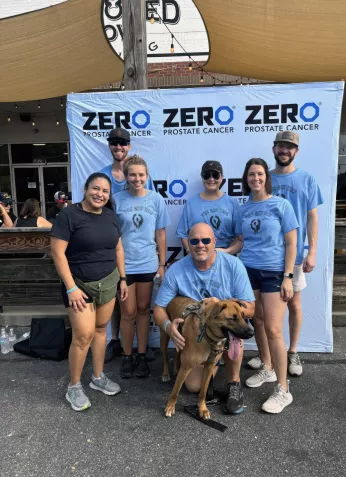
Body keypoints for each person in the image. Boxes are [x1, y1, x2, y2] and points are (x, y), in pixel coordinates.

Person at [153, 222, 255, 415]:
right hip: (200, 332)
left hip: (225, 327)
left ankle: (234, 382)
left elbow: (250, 308)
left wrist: (225, 304)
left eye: (206, 240)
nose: (200, 245)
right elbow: (158, 309)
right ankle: (209, 365)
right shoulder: (176, 270)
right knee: (192, 386)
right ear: (188, 244)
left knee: (235, 335)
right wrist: (168, 327)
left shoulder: (233, 265)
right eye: (195, 241)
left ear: (214, 242)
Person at [248, 131, 323, 378]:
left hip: (295, 254)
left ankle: (292, 352)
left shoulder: (306, 178)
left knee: (294, 303)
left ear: (296, 151)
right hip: (266, 256)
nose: (284, 150)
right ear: (274, 149)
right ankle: (267, 355)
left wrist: (312, 251)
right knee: (262, 314)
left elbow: (312, 217)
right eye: (281, 146)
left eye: (289, 147)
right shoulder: (264, 177)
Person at [50, 172, 128, 412]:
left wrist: (123, 279)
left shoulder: (111, 216)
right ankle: (73, 386)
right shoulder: (69, 215)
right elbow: (57, 253)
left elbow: (118, 249)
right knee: (83, 336)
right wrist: (71, 288)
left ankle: (97, 377)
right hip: (79, 285)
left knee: (101, 330)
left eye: (105, 191)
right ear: (86, 189)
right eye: (96, 189)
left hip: (108, 282)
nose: (100, 194)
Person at [235, 158, 298, 413]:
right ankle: (267, 368)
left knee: (273, 329)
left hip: (274, 272)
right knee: (257, 321)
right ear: (246, 178)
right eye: (251, 174)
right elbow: (240, 242)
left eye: (260, 174)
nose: (256, 178)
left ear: (266, 177)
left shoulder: (281, 205)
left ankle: (283, 389)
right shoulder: (242, 209)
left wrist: (288, 276)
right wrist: (222, 251)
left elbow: (292, 243)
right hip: (248, 271)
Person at [112, 155, 170, 379]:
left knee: (145, 309)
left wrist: (162, 264)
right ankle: (127, 355)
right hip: (123, 265)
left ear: (147, 176)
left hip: (148, 262)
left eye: (141, 175)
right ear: (126, 176)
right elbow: (113, 234)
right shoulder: (116, 200)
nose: (137, 179)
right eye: (132, 175)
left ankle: (142, 354)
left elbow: (161, 233)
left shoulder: (156, 199)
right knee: (128, 313)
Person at [102, 128, 154, 363]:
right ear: (110, 145)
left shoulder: (144, 180)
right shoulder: (103, 176)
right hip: (113, 252)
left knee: (136, 308)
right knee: (121, 306)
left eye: (123, 143)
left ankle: (137, 349)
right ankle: (118, 343)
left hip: (140, 256)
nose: (119, 147)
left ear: (129, 146)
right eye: (114, 143)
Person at [176, 160, 240, 254]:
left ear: (222, 177)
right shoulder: (191, 203)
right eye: (207, 175)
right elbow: (182, 233)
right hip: (199, 254)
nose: (211, 179)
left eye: (215, 175)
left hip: (226, 256)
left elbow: (240, 237)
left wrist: (226, 252)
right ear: (202, 177)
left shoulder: (232, 203)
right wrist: (191, 253)